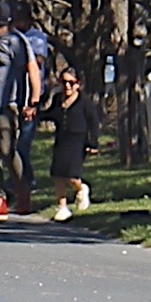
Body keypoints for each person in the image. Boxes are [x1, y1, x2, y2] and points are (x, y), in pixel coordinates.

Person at [0, 0, 41, 218]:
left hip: (9, 106)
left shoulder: (16, 42)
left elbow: (32, 69)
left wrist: (32, 100)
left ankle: (22, 189)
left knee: (8, 150)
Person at [46, 66, 101, 219]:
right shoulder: (58, 99)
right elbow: (51, 114)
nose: (67, 86)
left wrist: (93, 143)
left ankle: (81, 188)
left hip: (78, 141)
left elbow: (93, 122)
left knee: (72, 175)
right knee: (58, 174)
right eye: (64, 82)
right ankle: (62, 207)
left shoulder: (85, 102)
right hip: (62, 139)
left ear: (78, 84)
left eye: (71, 82)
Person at [12, 5, 52, 214]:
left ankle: (27, 179)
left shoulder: (36, 37)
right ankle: (17, 179)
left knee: (24, 142)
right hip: (11, 94)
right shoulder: (10, 37)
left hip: (30, 93)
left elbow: (37, 60)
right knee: (10, 142)